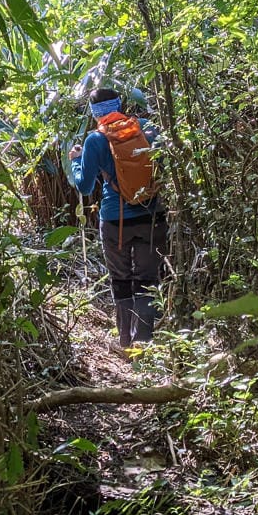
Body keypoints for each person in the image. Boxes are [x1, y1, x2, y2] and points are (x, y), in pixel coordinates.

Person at [68, 87, 168, 349]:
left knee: (122, 279)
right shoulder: (147, 128)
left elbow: (84, 187)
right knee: (148, 279)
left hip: (115, 221)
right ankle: (144, 341)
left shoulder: (95, 140)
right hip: (151, 216)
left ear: (94, 113)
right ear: (119, 105)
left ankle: (124, 341)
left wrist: (77, 162)